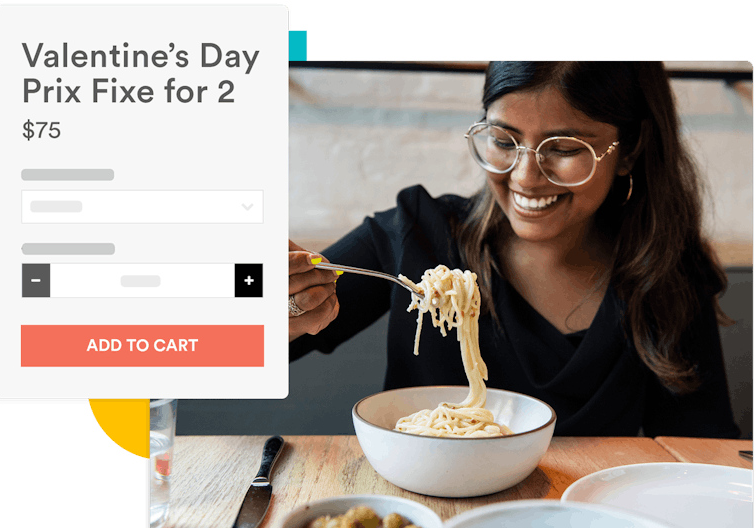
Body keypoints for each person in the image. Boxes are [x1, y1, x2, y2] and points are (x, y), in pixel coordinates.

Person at [287, 61, 740, 438]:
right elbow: (240, 348)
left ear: (629, 151)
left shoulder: (666, 271)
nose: (524, 177)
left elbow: (702, 448)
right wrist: (268, 303)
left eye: (563, 147)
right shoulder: (416, 234)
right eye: (504, 142)